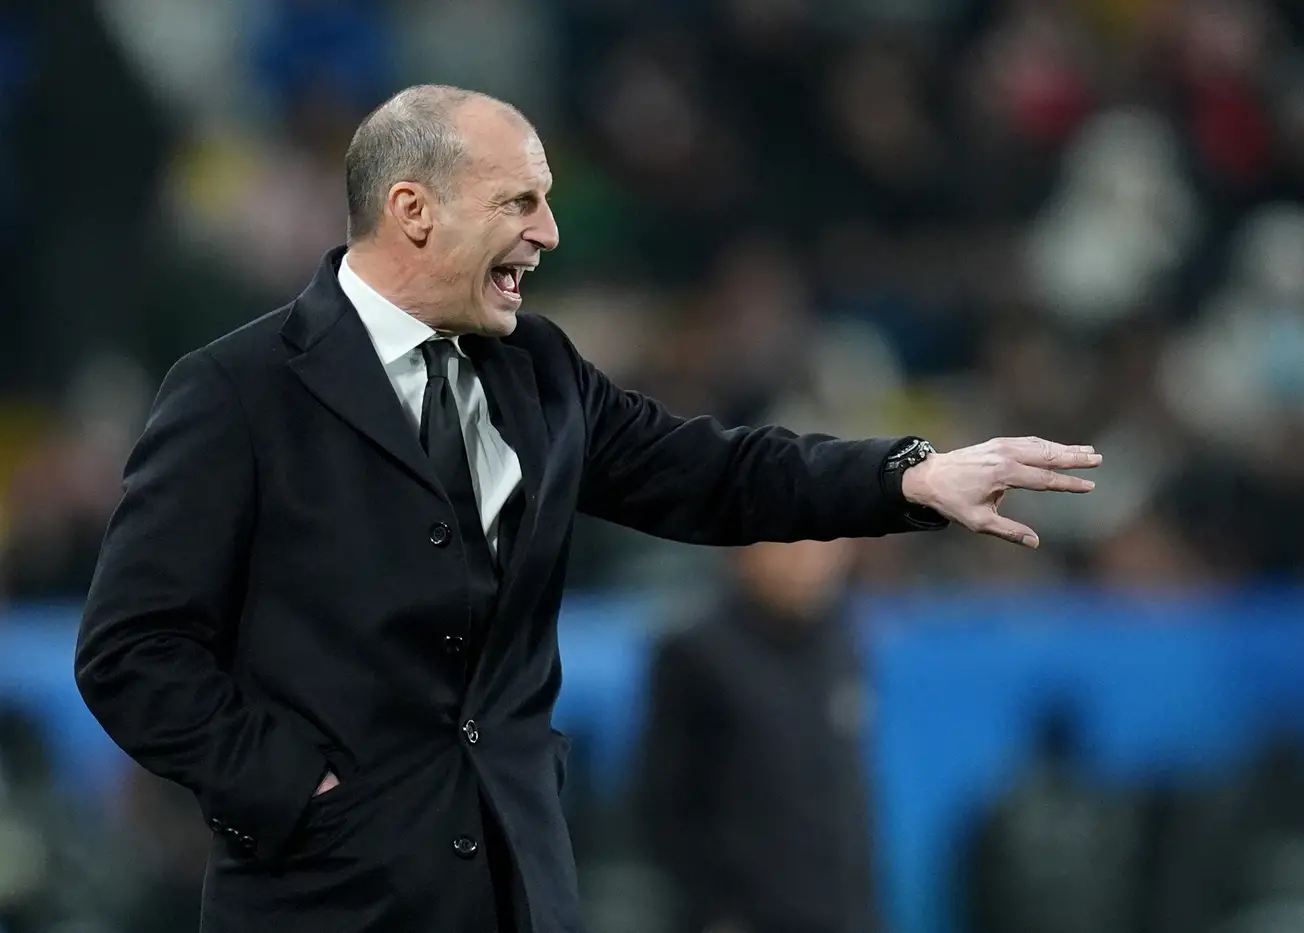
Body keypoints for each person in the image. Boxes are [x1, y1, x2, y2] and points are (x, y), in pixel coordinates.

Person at [74, 85, 1101, 933]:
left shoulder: (540, 370)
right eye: (519, 202)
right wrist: (292, 785)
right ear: (414, 210)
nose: (549, 232)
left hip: (519, 890)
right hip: (323, 902)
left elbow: (712, 473)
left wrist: (905, 477)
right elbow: (131, 648)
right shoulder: (238, 390)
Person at [637, 537, 881, 933]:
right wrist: (713, 912)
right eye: (792, 543)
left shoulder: (843, 644)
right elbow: (665, 803)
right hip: (747, 915)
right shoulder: (696, 653)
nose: (808, 559)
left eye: (825, 542)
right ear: (745, 549)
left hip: (843, 912)